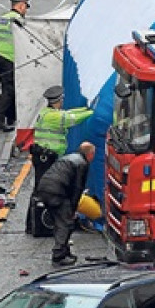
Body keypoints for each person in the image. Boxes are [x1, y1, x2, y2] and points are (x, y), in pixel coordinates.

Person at [25, 85, 95, 234]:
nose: (63, 102)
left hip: (43, 156)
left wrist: (87, 108)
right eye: (62, 99)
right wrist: (92, 112)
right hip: (46, 158)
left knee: (39, 189)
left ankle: (33, 224)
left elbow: (69, 112)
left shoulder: (47, 112)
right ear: (57, 100)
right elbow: (73, 118)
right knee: (44, 190)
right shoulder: (54, 117)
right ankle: (39, 224)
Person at [34, 141, 95, 265]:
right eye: (93, 154)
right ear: (89, 154)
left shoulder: (69, 158)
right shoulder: (82, 164)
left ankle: (65, 251)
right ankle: (59, 255)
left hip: (44, 188)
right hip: (57, 192)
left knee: (59, 221)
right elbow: (77, 188)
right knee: (66, 222)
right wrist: (73, 209)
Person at [0, 0, 29, 133]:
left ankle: (11, 117)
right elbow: (26, 39)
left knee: (9, 87)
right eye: (25, 8)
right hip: (8, 58)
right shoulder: (17, 20)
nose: (26, 11)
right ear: (21, 6)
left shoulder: (3, 18)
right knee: (9, 88)